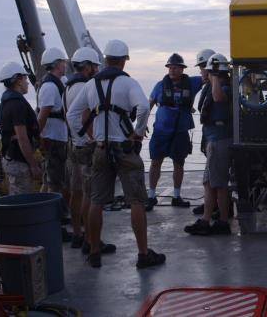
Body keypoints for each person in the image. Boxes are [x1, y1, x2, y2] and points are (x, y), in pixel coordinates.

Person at [67, 39, 166, 269]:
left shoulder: (91, 85)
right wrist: (138, 135)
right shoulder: (128, 84)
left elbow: (72, 115)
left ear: (105, 60)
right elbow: (142, 108)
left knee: (96, 201)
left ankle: (93, 251)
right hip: (124, 149)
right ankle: (143, 254)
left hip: (100, 150)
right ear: (124, 61)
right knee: (137, 201)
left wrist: (88, 138)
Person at [145, 53, 203, 211]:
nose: (172, 70)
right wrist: (142, 124)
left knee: (179, 163)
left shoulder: (192, 83)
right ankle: (151, 196)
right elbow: (149, 104)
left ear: (182, 69)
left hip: (180, 131)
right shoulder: (159, 85)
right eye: (170, 67)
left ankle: (176, 196)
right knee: (156, 162)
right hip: (161, 131)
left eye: (176, 67)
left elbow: (207, 76)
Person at [64, 47, 108, 253]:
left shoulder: (68, 86)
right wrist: (92, 138)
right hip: (85, 147)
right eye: (95, 65)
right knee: (92, 196)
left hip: (73, 145)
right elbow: (82, 116)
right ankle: (92, 242)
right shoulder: (86, 87)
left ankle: (78, 234)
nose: (97, 69)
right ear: (88, 66)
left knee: (77, 192)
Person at [185, 53, 233, 236]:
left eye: (203, 68)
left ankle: (222, 222)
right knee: (208, 182)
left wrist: (214, 78)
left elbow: (218, 98)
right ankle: (206, 220)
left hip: (220, 139)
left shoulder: (224, 87)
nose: (201, 71)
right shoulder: (213, 84)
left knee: (219, 183)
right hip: (212, 138)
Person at [36, 47, 72, 241]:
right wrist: (38, 139)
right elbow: (43, 115)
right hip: (53, 140)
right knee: (54, 183)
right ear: (58, 64)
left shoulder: (59, 83)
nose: (65, 65)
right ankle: (53, 224)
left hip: (60, 139)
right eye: (63, 62)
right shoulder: (50, 87)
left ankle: (60, 216)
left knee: (59, 181)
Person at [0, 62, 41, 195]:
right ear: (18, 80)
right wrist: (33, 165)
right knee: (23, 203)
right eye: (25, 78)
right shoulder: (17, 104)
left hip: (11, 158)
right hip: (18, 162)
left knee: (17, 200)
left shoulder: (6, 101)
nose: (27, 82)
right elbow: (22, 137)